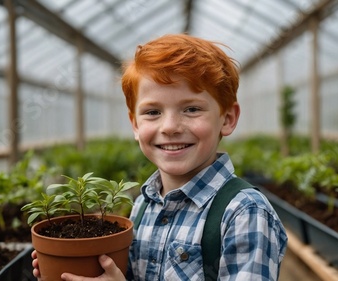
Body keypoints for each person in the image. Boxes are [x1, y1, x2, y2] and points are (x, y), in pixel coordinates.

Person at [32, 33, 287, 281]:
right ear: (134, 125)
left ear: (227, 119)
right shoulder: (142, 206)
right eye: (153, 112)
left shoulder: (244, 213)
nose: (170, 127)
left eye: (191, 109)